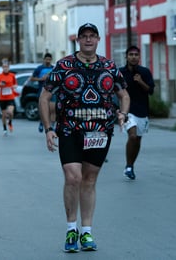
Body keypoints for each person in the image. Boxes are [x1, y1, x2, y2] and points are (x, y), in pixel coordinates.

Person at [39, 23, 130, 252]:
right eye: (84, 37)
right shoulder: (64, 66)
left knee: (89, 180)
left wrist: (123, 113)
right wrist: (49, 128)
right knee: (73, 178)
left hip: (100, 131)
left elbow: (124, 93)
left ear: (98, 39)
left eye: (92, 36)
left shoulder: (109, 65)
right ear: (78, 40)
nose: (88, 40)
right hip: (70, 129)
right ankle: (72, 229)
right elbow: (45, 97)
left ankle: (87, 232)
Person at [119, 45, 155, 180]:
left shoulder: (144, 72)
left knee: (138, 140)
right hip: (127, 110)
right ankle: (128, 166)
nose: (133, 57)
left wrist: (140, 82)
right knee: (132, 136)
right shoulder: (120, 72)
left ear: (139, 57)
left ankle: (130, 166)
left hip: (142, 111)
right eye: (131, 54)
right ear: (126, 56)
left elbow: (150, 91)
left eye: (136, 55)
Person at [30, 53, 54, 132]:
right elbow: (32, 78)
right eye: (46, 59)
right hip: (41, 91)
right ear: (44, 59)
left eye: (49, 59)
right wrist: (41, 79)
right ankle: (41, 122)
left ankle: (50, 125)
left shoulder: (53, 68)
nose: (48, 61)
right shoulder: (39, 68)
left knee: (51, 109)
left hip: (51, 92)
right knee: (42, 108)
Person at [0, 62, 18, 136]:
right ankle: (4, 129)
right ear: (2, 68)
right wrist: (0, 84)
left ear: (9, 67)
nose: (5, 68)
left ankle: (10, 122)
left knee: (10, 112)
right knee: (4, 115)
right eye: (4, 67)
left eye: (7, 67)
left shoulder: (12, 75)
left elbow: (15, 84)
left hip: (10, 97)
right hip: (2, 98)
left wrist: (14, 87)